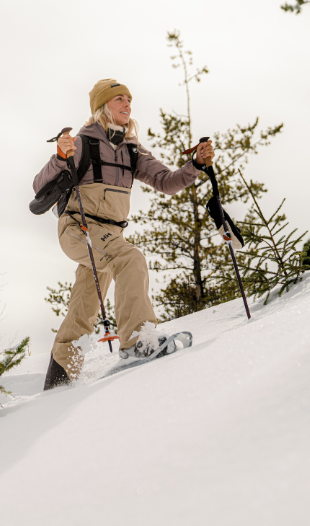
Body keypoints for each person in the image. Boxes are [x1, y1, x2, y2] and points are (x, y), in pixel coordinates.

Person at [33, 79, 214, 390]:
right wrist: (61, 157)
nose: (127, 103)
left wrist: (195, 164)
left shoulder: (132, 150)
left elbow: (166, 181)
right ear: (102, 107)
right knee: (130, 258)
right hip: (78, 228)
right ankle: (137, 343)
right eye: (119, 98)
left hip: (109, 234)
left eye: (129, 98)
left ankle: (61, 375)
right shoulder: (82, 143)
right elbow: (39, 186)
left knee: (87, 299)